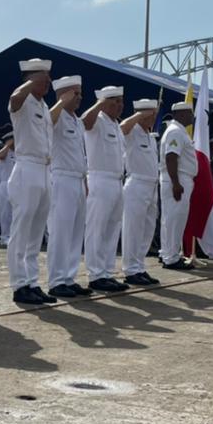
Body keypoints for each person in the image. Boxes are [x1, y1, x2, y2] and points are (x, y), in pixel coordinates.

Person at [6, 59, 55, 305]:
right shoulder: (22, 100)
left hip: (45, 170)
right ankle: (19, 284)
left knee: (36, 232)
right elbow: (14, 100)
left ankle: (32, 282)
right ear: (30, 78)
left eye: (48, 77)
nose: (48, 81)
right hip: (26, 168)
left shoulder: (44, 106)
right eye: (43, 77)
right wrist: (29, 83)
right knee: (22, 230)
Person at [46, 76, 91, 299]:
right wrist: (62, 102)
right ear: (63, 94)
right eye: (76, 93)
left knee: (75, 233)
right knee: (60, 231)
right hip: (61, 178)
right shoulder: (57, 114)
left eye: (80, 93)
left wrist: (85, 182)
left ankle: (69, 278)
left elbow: (81, 155)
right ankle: (56, 280)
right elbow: (47, 122)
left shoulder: (77, 120)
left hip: (78, 179)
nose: (79, 98)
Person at [82, 85, 128, 292]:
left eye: (121, 101)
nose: (119, 105)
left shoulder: (116, 125)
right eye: (115, 101)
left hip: (117, 181)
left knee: (112, 229)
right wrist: (100, 103)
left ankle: (107, 272)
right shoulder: (97, 119)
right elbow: (85, 122)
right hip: (99, 179)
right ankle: (95, 274)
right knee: (96, 229)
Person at [120, 98, 161, 286]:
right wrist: (138, 115)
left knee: (147, 230)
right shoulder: (132, 131)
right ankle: (130, 269)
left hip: (151, 187)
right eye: (150, 114)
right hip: (136, 184)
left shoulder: (149, 136)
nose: (153, 118)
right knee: (133, 230)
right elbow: (122, 127)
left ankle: (139, 266)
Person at [158, 100, 198, 270]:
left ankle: (167, 253)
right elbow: (171, 157)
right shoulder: (175, 132)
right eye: (190, 113)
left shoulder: (178, 131)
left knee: (170, 219)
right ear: (181, 114)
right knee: (175, 219)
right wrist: (176, 183)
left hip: (178, 178)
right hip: (178, 178)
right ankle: (172, 258)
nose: (192, 116)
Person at [0, 131, 16, 245]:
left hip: (16, 184)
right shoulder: (5, 152)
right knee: (5, 213)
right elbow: (0, 155)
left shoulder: (17, 152)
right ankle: (4, 236)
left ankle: (13, 235)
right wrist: (8, 145)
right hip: (5, 185)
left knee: (15, 212)